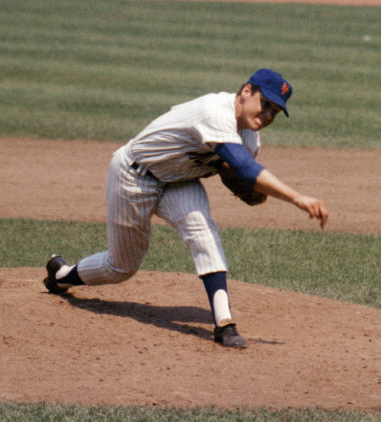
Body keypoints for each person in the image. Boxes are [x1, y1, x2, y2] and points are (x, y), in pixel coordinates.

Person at [43, 68, 329, 348]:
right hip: (134, 176)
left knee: (204, 231)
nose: (266, 116)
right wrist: (297, 198)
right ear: (245, 91)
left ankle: (224, 323)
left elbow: (235, 170)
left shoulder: (250, 138)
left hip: (180, 181)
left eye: (274, 112)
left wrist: (242, 183)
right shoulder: (214, 112)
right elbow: (243, 166)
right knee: (120, 267)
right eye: (264, 104)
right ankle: (61, 276)